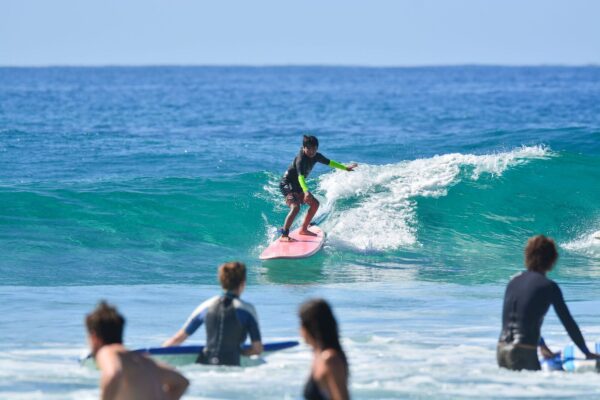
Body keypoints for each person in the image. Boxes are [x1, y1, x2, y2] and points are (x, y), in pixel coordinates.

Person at [497, 235, 600, 371]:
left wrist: (542, 347)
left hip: (501, 349)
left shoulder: (513, 281)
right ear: (553, 259)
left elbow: (521, 319)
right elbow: (568, 323)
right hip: (523, 351)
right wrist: (586, 352)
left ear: (527, 256)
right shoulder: (548, 286)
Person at [163, 261, 263, 366]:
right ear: (243, 283)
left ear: (221, 282)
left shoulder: (206, 306)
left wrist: (154, 360)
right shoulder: (246, 309)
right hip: (232, 367)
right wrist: (240, 353)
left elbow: (177, 339)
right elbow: (257, 349)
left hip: (205, 364)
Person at [86, 301, 189, 400]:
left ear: (94, 337)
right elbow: (181, 382)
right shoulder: (144, 361)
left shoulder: (107, 351)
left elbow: (113, 374)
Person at [279, 135, 357, 241]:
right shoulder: (300, 159)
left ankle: (304, 229)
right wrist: (306, 191)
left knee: (315, 204)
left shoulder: (316, 156)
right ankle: (284, 234)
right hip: (287, 183)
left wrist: (345, 168)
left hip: (298, 185)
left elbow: (330, 162)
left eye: (314, 149)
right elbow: (300, 177)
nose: (312, 152)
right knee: (295, 207)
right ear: (304, 147)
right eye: (309, 149)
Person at [299, 299, 349, 400]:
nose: (299, 330)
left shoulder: (330, 359)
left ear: (309, 327)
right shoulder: (318, 356)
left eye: (301, 324)